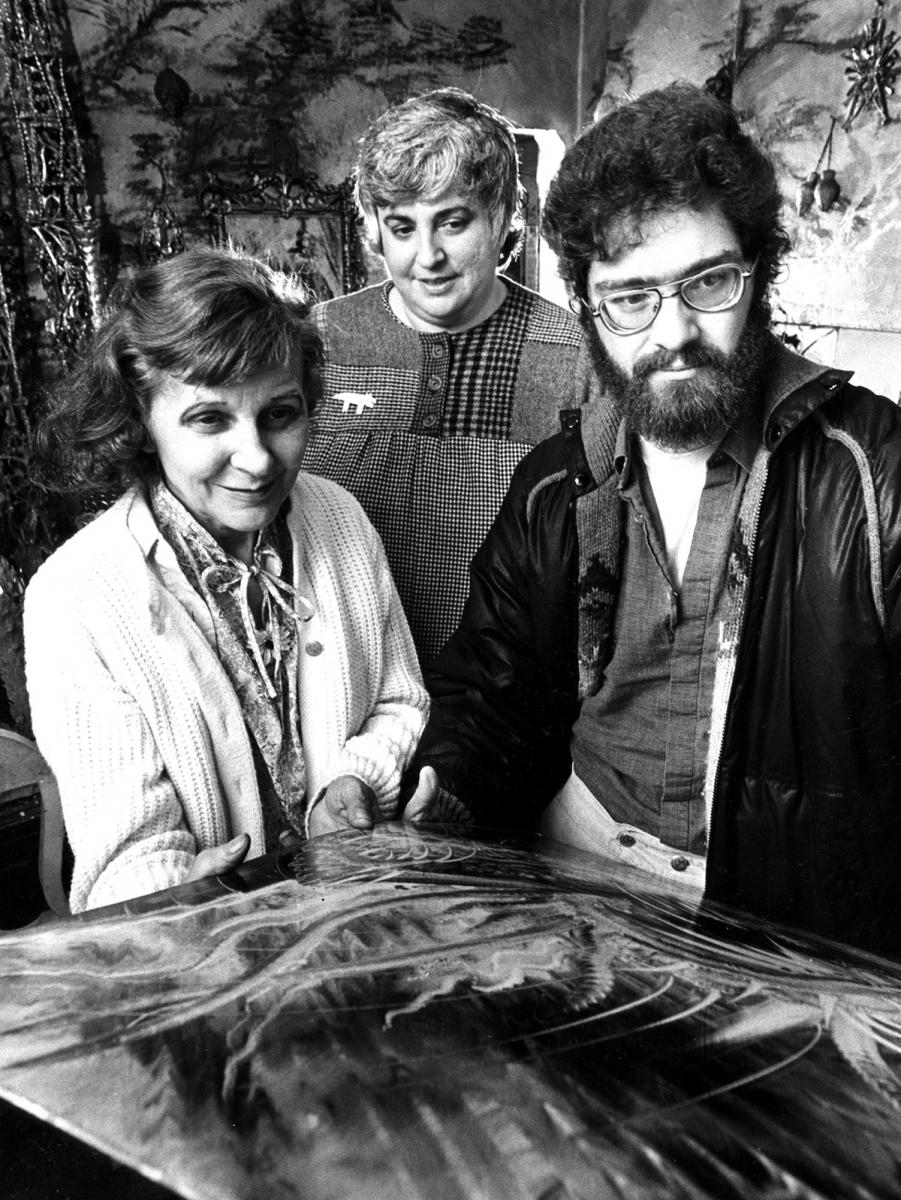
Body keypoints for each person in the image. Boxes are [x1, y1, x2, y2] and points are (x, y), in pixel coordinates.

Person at [407, 82, 901, 957]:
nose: (672, 331)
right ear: (591, 308)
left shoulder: (874, 472)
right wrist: (444, 785)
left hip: (789, 916)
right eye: (630, 297)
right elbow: (490, 683)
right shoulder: (555, 484)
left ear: (758, 271)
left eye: (707, 281)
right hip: (573, 873)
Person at [24, 247, 428, 913]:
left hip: (357, 912)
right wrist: (179, 890)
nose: (258, 459)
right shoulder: (76, 597)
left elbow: (399, 701)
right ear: (141, 421)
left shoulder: (341, 521)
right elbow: (123, 854)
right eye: (210, 418)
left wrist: (356, 780)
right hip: (198, 950)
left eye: (280, 414)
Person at [301, 87, 594, 664]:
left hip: (504, 699)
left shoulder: (576, 356)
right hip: (345, 687)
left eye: (452, 222)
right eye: (403, 227)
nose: (427, 256)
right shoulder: (317, 342)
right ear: (374, 229)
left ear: (503, 217)